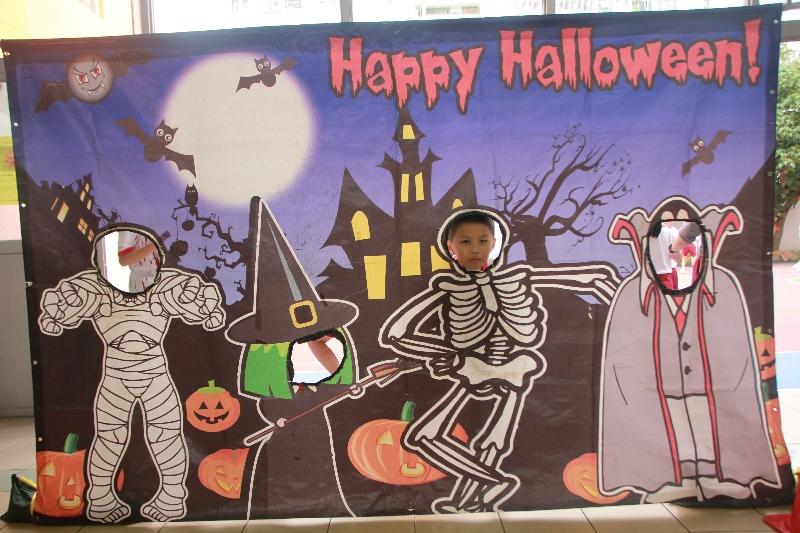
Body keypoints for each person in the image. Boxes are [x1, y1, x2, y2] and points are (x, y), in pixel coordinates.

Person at [380, 208, 618, 513]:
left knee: (492, 440)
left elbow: (595, 277)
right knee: (421, 437)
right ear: (450, 247)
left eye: (483, 241)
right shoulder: (448, 288)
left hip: (513, 366)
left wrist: (629, 318)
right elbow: (396, 334)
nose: (475, 249)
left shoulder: (517, 277)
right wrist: (444, 351)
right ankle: (491, 483)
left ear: (495, 243)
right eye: (465, 242)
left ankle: (474, 496)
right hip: (472, 367)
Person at [647, 220, 680, 290]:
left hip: (646, 279)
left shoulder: (641, 234)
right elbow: (678, 256)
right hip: (665, 279)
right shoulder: (668, 232)